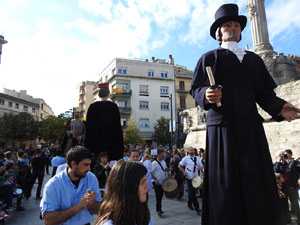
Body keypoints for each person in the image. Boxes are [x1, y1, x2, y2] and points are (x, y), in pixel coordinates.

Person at [190, 3, 300, 225]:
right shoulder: (209, 57)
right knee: (226, 184)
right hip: (222, 129)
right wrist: (207, 95)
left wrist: (280, 108)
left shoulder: (253, 59)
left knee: (257, 181)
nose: (232, 27)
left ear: (241, 30)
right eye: (227, 24)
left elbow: (264, 95)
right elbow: (196, 89)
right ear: (219, 31)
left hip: (251, 128)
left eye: (236, 24)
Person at [40, 146, 101, 225]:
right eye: (86, 165)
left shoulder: (91, 178)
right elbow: (48, 220)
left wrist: (91, 202)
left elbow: (97, 210)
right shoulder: (53, 185)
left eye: (90, 164)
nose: (89, 168)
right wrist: (78, 207)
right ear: (73, 164)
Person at [95, 160, 152, 225]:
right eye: (142, 182)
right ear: (128, 187)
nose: (147, 186)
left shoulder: (141, 211)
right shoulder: (110, 223)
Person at [85, 83, 124, 162]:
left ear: (99, 94)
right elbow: (117, 127)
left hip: (95, 143)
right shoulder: (113, 106)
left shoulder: (92, 107)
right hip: (111, 143)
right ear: (108, 94)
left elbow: (88, 126)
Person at [274, 149, 300, 224]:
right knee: (285, 205)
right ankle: (288, 220)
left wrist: (292, 161)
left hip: (292, 187)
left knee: (295, 205)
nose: (283, 156)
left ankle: (299, 220)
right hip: (283, 188)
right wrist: (279, 162)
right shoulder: (277, 164)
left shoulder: (292, 162)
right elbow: (275, 171)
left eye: (284, 154)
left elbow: (290, 169)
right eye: (282, 155)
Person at [178, 147, 203, 215]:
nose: (192, 151)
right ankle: (197, 208)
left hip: (196, 178)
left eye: (193, 150)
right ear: (188, 151)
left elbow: (201, 166)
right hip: (189, 178)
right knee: (193, 194)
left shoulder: (197, 158)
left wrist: (200, 168)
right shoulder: (185, 158)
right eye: (190, 150)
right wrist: (183, 172)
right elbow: (179, 166)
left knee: (192, 193)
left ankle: (189, 203)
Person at [151, 149, 167, 216]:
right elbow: (151, 172)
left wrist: (169, 169)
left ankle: (159, 208)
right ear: (158, 155)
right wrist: (155, 180)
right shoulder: (154, 163)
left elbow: (165, 169)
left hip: (163, 182)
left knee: (161, 196)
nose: (163, 155)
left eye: (163, 154)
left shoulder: (163, 162)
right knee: (158, 197)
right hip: (157, 183)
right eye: (162, 154)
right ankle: (158, 210)